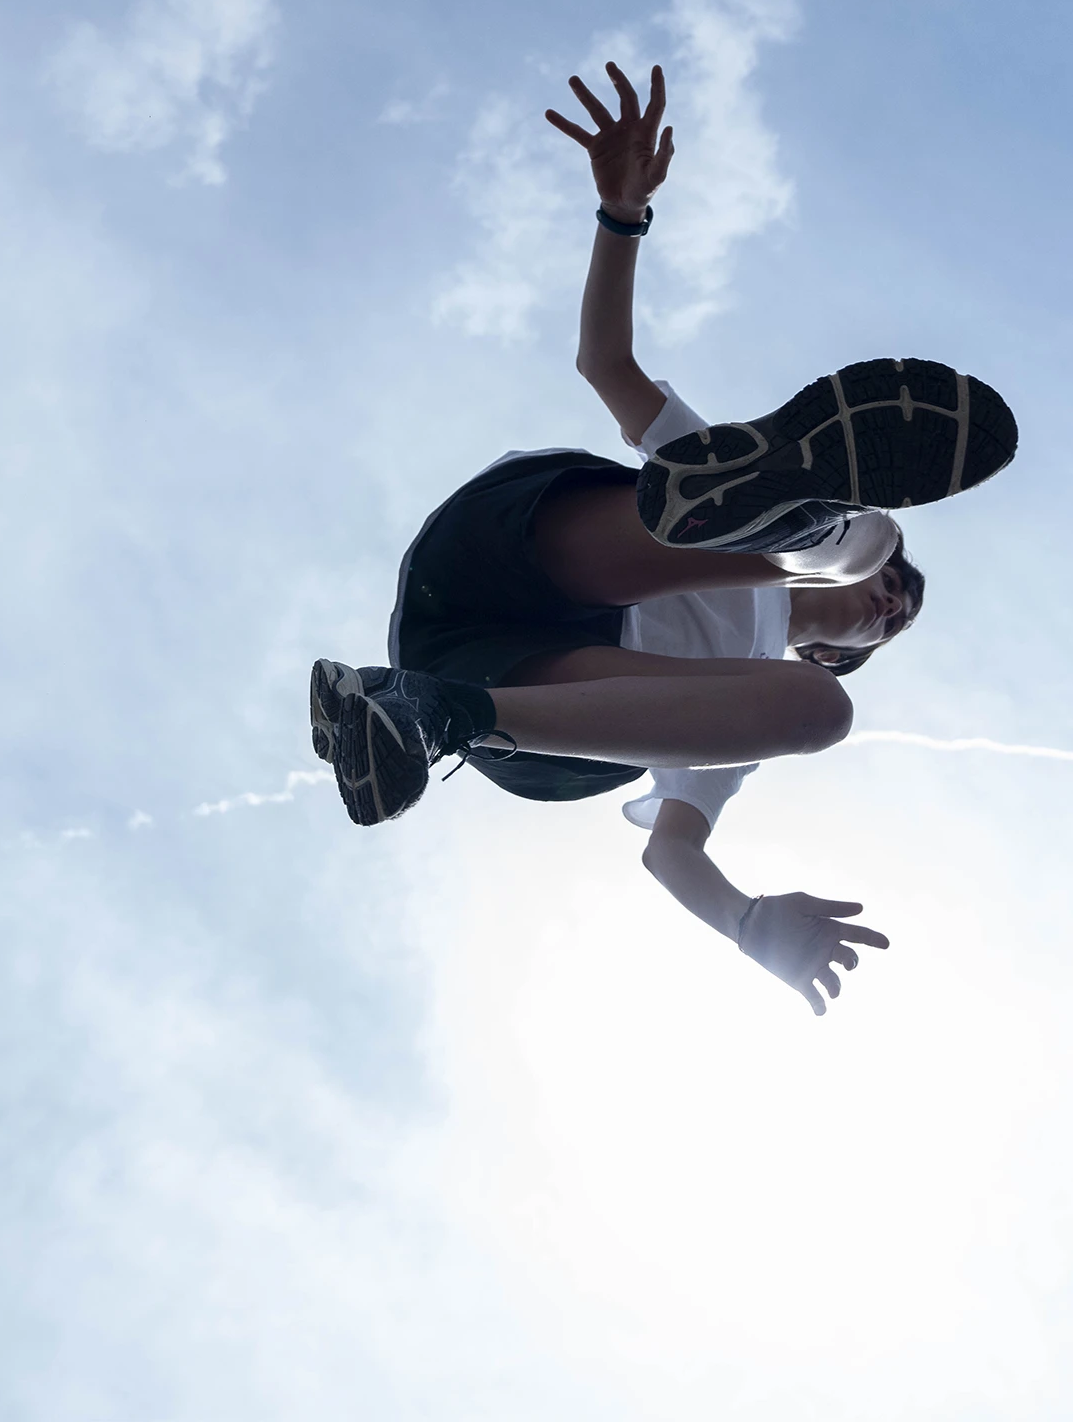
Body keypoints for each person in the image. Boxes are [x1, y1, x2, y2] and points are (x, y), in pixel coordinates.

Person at [311, 62, 1017, 1015]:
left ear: (835, 648)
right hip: (520, 549)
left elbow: (670, 849)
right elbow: (605, 364)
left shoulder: (755, 680)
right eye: (898, 587)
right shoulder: (721, 507)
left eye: (887, 625)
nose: (892, 607)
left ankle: (430, 714)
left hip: (509, 692)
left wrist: (746, 922)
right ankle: (814, 526)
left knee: (815, 718)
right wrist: (621, 216)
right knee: (797, 529)